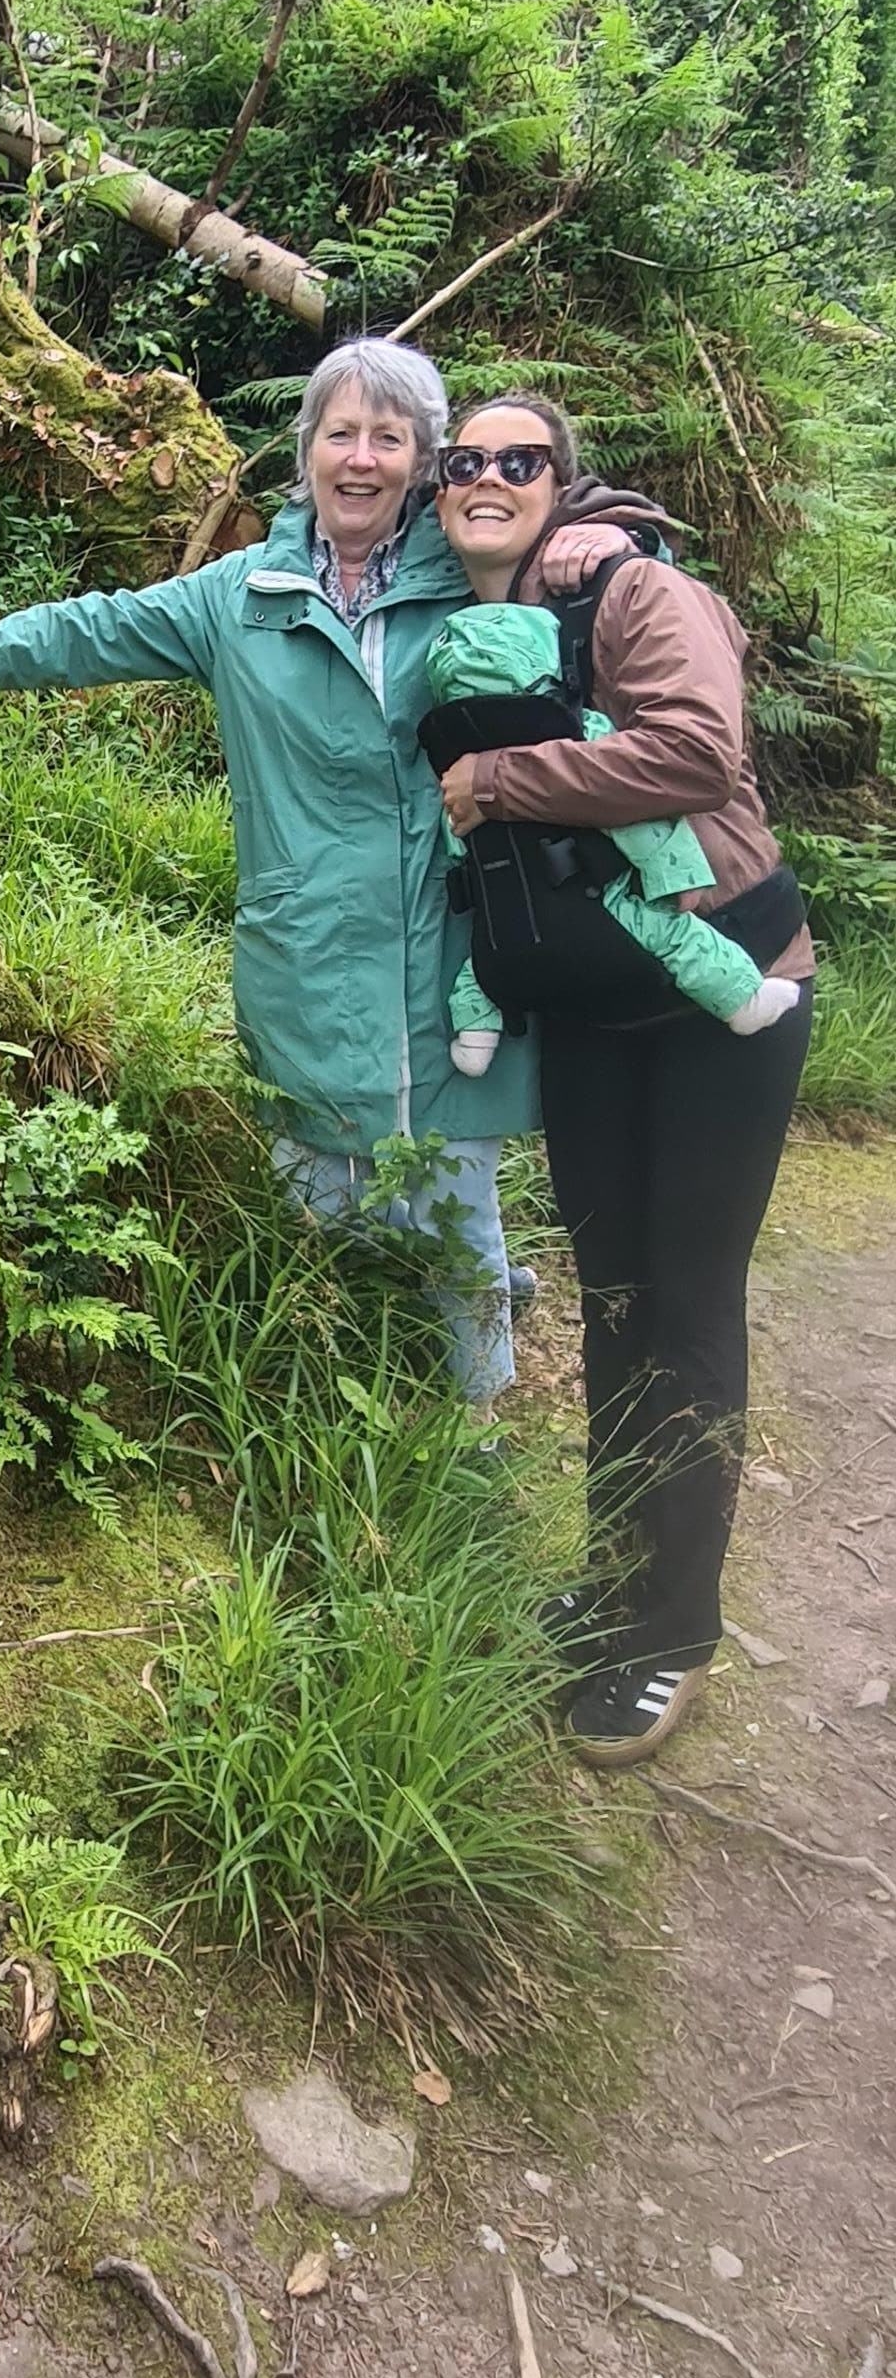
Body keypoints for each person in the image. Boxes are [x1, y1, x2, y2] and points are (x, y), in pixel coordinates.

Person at [0, 334, 542, 1402]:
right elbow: (89, 633)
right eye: (339, 433)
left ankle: (479, 1427)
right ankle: (327, 1407)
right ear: (305, 448)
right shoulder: (241, 594)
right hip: (306, 940)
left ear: (421, 462)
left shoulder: (477, 581)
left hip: (447, 942)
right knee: (319, 1200)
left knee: (457, 1199)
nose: (358, 459)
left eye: (388, 437)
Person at [432, 393, 812, 1768]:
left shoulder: (638, 589)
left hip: (727, 1000)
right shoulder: (479, 612)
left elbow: (702, 753)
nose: (486, 475)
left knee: (692, 1303)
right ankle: (612, 1584)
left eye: (517, 460)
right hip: (595, 1009)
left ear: (563, 484)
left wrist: (497, 778)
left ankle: (676, 1635)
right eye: (460, 462)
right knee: (614, 1301)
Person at [421, 601, 804, 1069]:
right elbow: (635, 814)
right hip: (603, 908)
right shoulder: (584, 733)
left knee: (482, 965)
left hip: (510, 922)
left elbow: (457, 841)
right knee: (673, 934)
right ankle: (743, 1000)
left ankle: (476, 1034)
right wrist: (677, 877)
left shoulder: (455, 770)